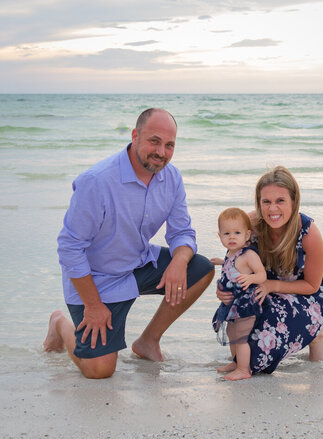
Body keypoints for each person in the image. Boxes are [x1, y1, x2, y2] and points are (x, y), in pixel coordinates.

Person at [44, 108, 214, 379]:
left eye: (170, 145)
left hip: (138, 264)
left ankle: (148, 341)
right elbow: (69, 247)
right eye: (154, 141)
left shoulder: (172, 178)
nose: (162, 152)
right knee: (99, 370)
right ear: (135, 136)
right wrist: (93, 306)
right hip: (97, 283)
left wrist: (180, 261)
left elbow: (182, 232)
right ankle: (60, 324)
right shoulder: (97, 182)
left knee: (200, 269)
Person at [216, 166, 323, 376]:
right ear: (259, 202)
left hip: (309, 294)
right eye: (266, 201)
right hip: (266, 288)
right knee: (241, 326)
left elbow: (312, 285)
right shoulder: (250, 224)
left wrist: (271, 285)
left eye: (280, 201)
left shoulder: (308, 233)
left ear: (293, 201)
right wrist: (223, 290)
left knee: (258, 359)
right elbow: (234, 264)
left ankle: (317, 334)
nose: (273, 209)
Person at [211, 208, 267, 381]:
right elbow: (232, 267)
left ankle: (243, 369)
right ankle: (236, 362)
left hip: (246, 305)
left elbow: (262, 275)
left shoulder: (249, 255)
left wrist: (251, 278)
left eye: (237, 233)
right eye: (227, 233)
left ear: (247, 235)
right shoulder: (230, 254)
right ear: (220, 236)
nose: (232, 237)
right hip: (233, 305)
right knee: (231, 332)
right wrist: (222, 262)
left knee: (241, 336)